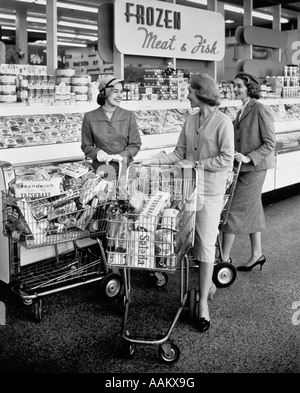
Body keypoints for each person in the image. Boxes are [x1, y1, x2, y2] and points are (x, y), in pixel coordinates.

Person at [135, 73, 234, 332]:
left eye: (190, 91)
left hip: (210, 193)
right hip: (186, 191)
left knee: (205, 245)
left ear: (200, 92)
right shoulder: (190, 121)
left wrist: (197, 164)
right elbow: (179, 153)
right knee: (186, 243)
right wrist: (151, 161)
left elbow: (226, 159)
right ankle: (204, 286)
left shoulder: (224, 122)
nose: (187, 95)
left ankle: (203, 304)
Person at [219, 72, 276, 272]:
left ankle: (223, 259)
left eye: (239, 86)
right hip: (243, 168)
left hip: (254, 168)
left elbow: (270, 143)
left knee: (232, 211)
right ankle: (256, 254)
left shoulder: (260, 109)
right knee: (253, 209)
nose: (235, 89)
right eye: (234, 85)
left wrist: (248, 157)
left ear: (250, 87)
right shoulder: (241, 110)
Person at [81, 76, 142, 176]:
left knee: (124, 191)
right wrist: (98, 153)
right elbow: (86, 146)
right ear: (104, 93)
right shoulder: (89, 117)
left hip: (126, 170)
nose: (120, 95)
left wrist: (121, 156)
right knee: (104, 191)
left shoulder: (129, 116)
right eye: (115, 91)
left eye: (121, 91)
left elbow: (135, 144)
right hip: (101, 170)